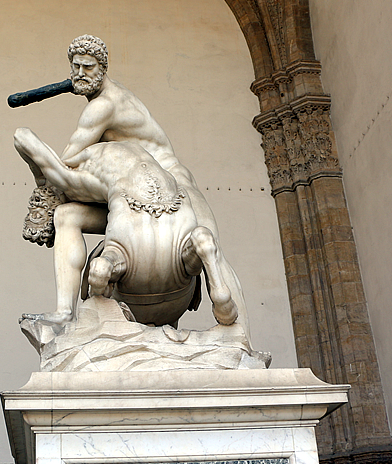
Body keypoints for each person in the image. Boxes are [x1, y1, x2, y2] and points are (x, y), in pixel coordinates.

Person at [16, 35, 250, 335]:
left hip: (174, 183)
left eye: (88, 67)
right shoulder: (105, 102)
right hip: (131, 190)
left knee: (213, 250)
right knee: (66, 217)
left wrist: (42, 175)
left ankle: (240, 332)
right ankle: (64, 312)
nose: (79, 75)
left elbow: (69, 161)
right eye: (75, 67)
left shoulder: (103, 106)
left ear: (103, 67)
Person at [15, 129, 238, 328]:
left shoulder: (70, 178)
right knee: (69, 214)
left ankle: (65, 312)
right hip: (176, 223)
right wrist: (40, 171)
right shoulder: (117, 153)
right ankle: (214, 276)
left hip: (135, 242)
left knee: (64, 216)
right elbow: (24, 138)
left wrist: (47, 177)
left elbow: (21, 136)